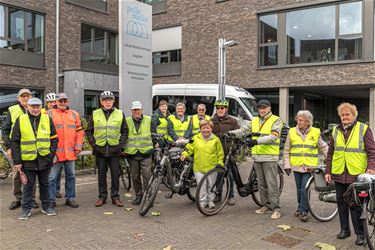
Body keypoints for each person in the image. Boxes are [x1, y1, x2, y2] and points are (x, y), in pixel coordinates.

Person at [325, 103, 375, 246]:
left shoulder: (363, 129)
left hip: (357, 174)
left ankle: (360, 234)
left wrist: (371, 168)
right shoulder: (335, 130)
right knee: (341, 203)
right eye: (342, 115)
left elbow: (372, 151)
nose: (345, 117)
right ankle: (344, 230)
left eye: (348, 114)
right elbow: (330, 153)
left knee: (356, 205)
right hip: (340, 172)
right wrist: (328, 171)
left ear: (354, 115)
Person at [230, 99, 283, 219]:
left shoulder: (276, 120)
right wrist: (231, 133)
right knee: (261, 184)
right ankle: (266, 205)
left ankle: (276, 208)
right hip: (257, 156)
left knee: (271, 184)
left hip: (270, 156)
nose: (262, 110)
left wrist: (256, 141)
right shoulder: (254, 120)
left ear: (269, 108)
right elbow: (243, 131)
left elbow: (274, 136)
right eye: (260, 108)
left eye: (264, 108)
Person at [10, 98, 58, 219]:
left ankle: (46, 206)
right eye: (33, 107)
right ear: (28, 108)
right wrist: (17, 161)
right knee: (28, 186)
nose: (36, 109)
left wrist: (50, 155)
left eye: (38, 107)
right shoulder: (20, 120)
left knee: (45, 184)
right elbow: (14, 142)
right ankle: (25, 209)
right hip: (28, 160)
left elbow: (54, 139)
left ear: (41, 107)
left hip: (44, 159)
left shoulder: (47, 119)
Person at [283, 110, 328, 222]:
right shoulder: (292, 131)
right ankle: (300, 208)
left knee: (304, 189)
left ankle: (304, 211)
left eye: (301, 120)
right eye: (298, 119)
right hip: (296, 165)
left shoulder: (315, 132)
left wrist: (330, 157)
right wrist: (287, 165)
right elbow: (286, 150)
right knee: (299, 189)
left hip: (309, 167)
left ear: (308, 122)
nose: (298, 121)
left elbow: (322, 147)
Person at [86, 91, 128, 207]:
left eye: (110, 100)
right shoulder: (95, 114)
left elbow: (125, 130)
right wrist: (94, 145)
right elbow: (89, 131)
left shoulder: (120, 113)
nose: (108, 102)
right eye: (105, 100)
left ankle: (115, 197)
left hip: (115, 150)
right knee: (101, 176)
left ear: (113, 101)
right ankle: (102, 197)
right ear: (101, 102)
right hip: (100, 150)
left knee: (115, 174)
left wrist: (121, 145)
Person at [2, 88, 39, 210]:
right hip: (16, 149)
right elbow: (6, 130)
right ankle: (18, 198)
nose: (25, 98)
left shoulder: (37, 110)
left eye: (27, 96)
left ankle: (31, 199)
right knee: (17, 175)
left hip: (31, 149)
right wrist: (8, 147)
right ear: (18, 98)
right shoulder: (13, 110)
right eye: (23, 96)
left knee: (31, 175)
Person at [48, 93, 84, 209]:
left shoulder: (74, 114)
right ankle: (51, 200)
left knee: (71, 176)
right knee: (52, 178)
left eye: (65, 101)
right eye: (60, 101)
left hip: (70, 152)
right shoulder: (48, 114)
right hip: (55, 153)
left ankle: (70, 198)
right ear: (56, 102)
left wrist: (78, 147)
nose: (62, 103)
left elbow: (79, 131)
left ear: (67, 102)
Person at [181, 120, 224, 208]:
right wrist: (184, 154)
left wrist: (220, 163)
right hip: (198, 168)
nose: (205, 130)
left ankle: (211, 201)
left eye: (207, 128)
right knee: (202, 186)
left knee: (211, 186)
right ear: (200, 129)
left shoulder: (216, 139)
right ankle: (202, 202)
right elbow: (189, 148)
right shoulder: (195, 138)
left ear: (211, 129)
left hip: (212, 167)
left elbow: (220, 153)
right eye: (203, 128)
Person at [123, 101, 153, 205]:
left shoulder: (149, 120)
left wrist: (157, 144)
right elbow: (123, 134)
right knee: (135, 176)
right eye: (134, 110)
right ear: (131, 111)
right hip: (132, 153)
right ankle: (139, 196)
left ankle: (148, 197)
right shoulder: (126, 121)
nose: (136, 111)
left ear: (142, 110)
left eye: (138, 109)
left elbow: (154, 133)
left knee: (147, 176)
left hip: (146, 152)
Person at [211, 99, 239, 205]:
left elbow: (238, 136)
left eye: (222, 108)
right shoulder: (212, 121)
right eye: (218, 108)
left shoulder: (233, 121)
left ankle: (231, 196)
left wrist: (234, 149)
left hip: (229, 153)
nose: (220, 110)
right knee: (218, 175)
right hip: (217, 153)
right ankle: (218, 195)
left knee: (230, 176)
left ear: (226, 109)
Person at [42, 92, 62, 199]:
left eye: (54, 102)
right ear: (47, 103)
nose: (52, 104)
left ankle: (57, 190)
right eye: (50, 102)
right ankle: (47, 192)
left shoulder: (60, 113)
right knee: (49, 173)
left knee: (58, 171)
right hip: (47, 146)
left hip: (59, 145)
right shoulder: (43, 113)